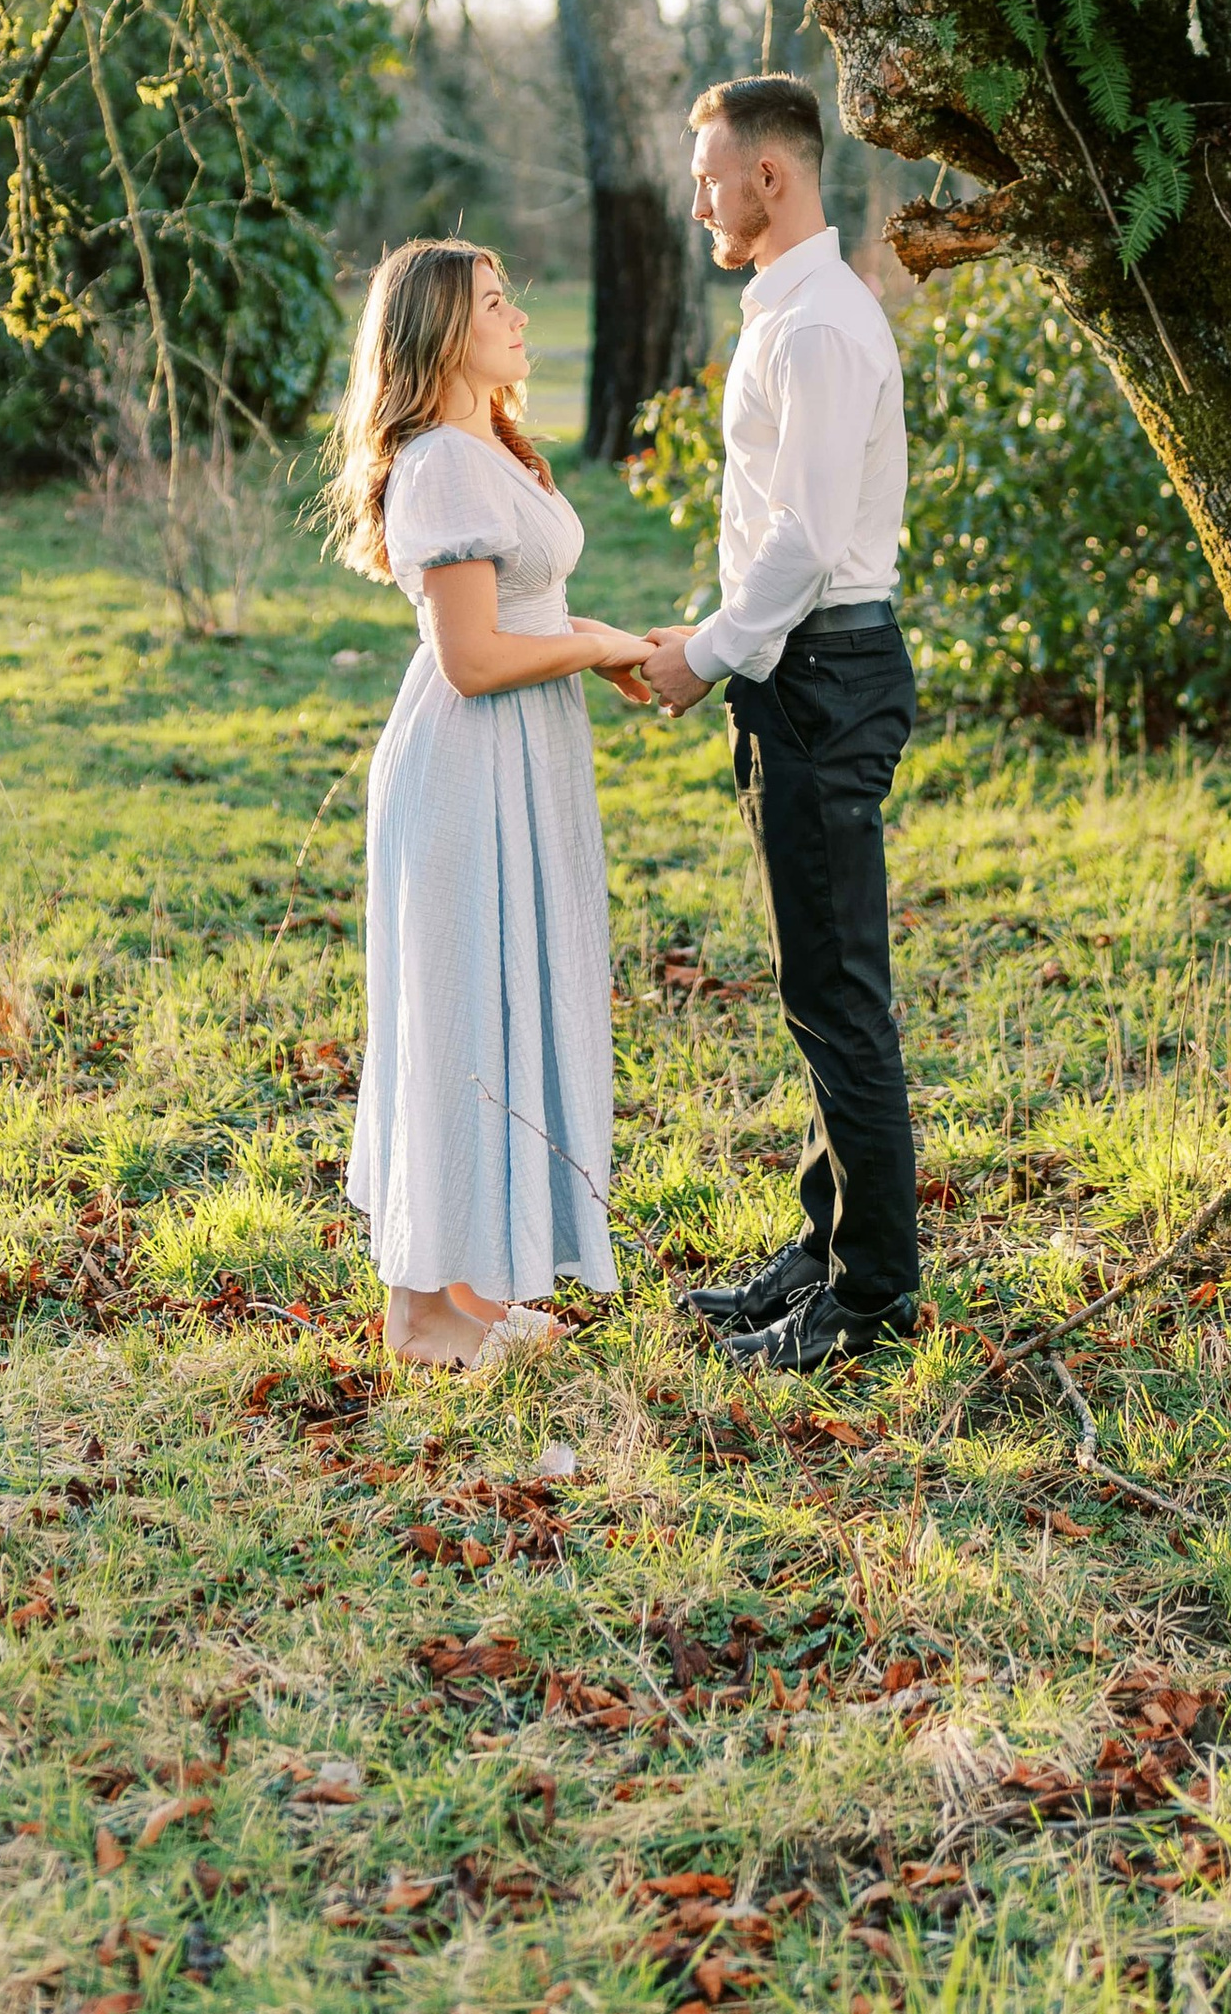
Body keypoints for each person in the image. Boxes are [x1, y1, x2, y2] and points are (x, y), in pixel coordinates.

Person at [326, 239, 654, 1373]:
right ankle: (416, 1313)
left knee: (501, 999)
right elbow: (469, 657)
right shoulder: (441, 466)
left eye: (515, 293)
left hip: (523, 754)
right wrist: (598, 643)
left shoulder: (494, 448)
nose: (518, 317)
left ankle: (464, 1284)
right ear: (436, 334)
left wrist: (603, 644)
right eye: (493, 303)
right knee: (457, 1010)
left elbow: (529, 608)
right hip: (467, 764)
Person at [640, 77, 918, 1373]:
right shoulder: (790, 313)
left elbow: (803, 544)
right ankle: (827, 1247)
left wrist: (702, 656)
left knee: (839, 993)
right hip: (801, 670)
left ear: (771, 176)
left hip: (822, 675)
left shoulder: (815, 328)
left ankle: (869, 1299)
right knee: (819, 992)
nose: (697, 195)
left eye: (710, 174)